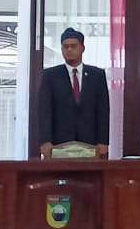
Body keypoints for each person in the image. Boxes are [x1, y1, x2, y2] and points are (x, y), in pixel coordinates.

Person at [36, 28, 110, 159]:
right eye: (65, 47)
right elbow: (44, 111)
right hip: (59, 143)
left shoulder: (97, 75)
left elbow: (103, 111)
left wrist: (103, 141)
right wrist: (45, 140)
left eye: (73, 46)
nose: (69, 50)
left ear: (82, 48)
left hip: (90, 143)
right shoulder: (51, 76)